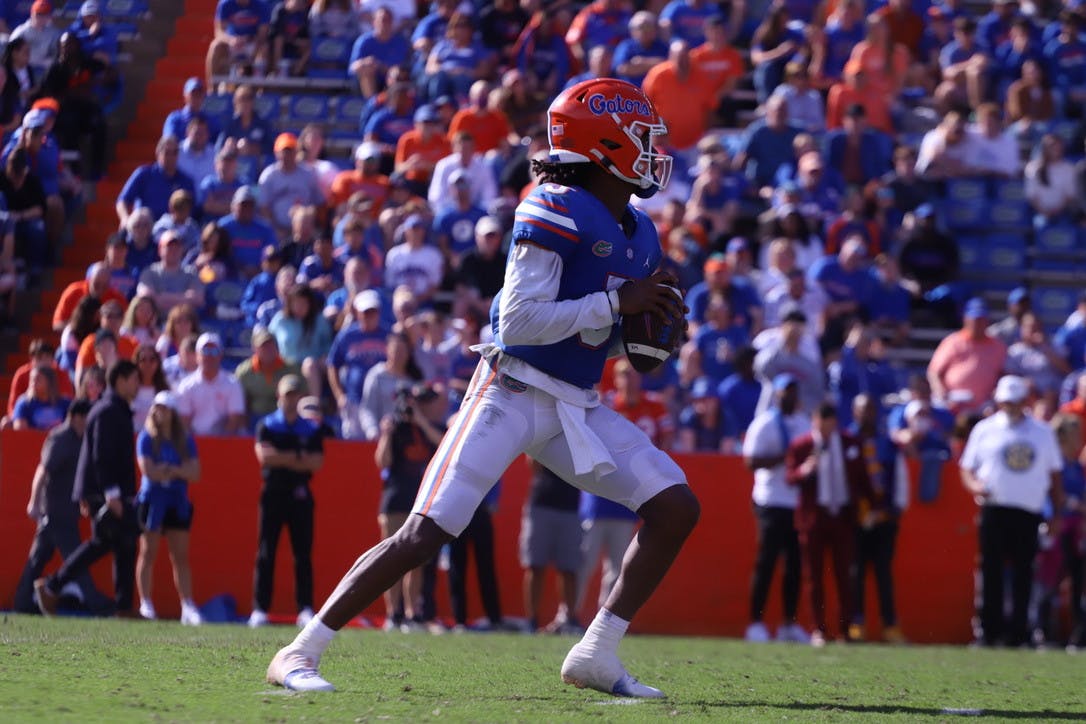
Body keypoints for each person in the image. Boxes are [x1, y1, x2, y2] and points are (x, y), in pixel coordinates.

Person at [265, 78, 698, 697]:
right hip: (511, 390)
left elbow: (607, 333)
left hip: (574, 403)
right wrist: (613, 302)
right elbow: (520, 322)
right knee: (428, 529)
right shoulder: (551, 204)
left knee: (675, 506)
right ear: (604, 145)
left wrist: (645, 334)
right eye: (642, 139)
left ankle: (596, 653)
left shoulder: (641, 232)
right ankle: (298, 650)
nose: (654, 152)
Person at [961, 375, 1063, 647]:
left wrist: (1056, 514)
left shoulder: (1042, 432)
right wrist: (975, 486)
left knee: (1023, 573)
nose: (1010, 407)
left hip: (1028, 512)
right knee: (990, 572)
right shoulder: (984, 429)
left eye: (1015, 402)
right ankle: (988, 631)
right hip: (994, 508)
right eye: (1006, 402)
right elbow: (967, 468)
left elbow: (1055, 476)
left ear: (1024, 402)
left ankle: (1019, 633)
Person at [34, 360, 142, 617]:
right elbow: (100, 455)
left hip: (105, 491)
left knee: (114, 544)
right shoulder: (108, 411)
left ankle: (121, 606)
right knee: (112, 543)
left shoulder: (114, 409)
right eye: (135, 378)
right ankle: (53, 586)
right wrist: (112, 493)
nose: (138, 384)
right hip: (106, 493)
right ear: (121, 380)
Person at [785, 401, 875, 646]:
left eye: (829, 424)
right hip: (814, 517)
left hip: (842, 516)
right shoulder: (802, 445)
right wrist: (805, 470)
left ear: (834, 422)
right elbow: (790, 477)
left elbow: (862, 478)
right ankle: (819, 629)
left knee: (845, 575)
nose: (825, 429)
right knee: (813, 575)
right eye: (820, 424)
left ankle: (846, 630)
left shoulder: (849, 443)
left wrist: (874, 506)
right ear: (814, 421)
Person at [15, 398, 108, 614]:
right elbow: (42, 471)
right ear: (76, 417)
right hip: (58, 512)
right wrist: (33, 501)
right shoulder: (61, 439)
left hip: (63, 511)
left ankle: (21, 603)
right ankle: (95, 602)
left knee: (38, 559)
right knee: (76, 558)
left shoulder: (78, 438)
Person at [249, 374, 325, 628]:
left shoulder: (310, 428)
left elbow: (316, 462)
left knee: (302, 552)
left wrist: (282, 457)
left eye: (295, 395)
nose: (291, 400)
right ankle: (260, 608)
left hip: (300, 494)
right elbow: (265, 457)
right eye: (287, 394)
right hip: (273, 492)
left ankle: (304, 607)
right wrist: (296, 458)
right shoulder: (268, 425)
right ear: (279, 396)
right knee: (266, 551)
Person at [742, 374, 809, 643]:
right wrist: (784, 457)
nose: (790, 396)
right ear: (777, 394)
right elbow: (750, 461)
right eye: (785, 392)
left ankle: (788, 624)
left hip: (796, 501)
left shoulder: (803, 422)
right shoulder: (766, 423)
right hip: (770, 499)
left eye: (794, 391)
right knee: (766, 562)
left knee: (794, 565)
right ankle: (755, 623)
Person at [373, 382, 446, 631]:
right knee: (391, 559)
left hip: (421, 500)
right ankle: (393, 614)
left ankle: (412, 613)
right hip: (394, 500)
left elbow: (444, 447)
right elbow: (382, 462)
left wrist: (420, 421)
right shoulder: (396, 428)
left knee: (416, 561)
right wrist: (386, 433)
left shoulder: (429, 428)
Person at [135, 391, 203, 625]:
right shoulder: (145, 437)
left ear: (172, 413)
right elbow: (149, 471)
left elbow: (195, 473)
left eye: (163, 408)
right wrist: (177, 469)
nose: (158, 412)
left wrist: (171, 470)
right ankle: (146, 603)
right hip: (152, 499)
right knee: (148, 552)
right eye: (156, 407)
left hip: (177, 500)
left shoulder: (185, 440)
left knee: (180, 555)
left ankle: (187, 606)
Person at [848, 394, 907, 644]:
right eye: (862, 410)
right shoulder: (845, 440)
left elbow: (899, 476)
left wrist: (895, 509)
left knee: (883, 573)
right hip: (854, 520)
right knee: (855, 572)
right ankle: (856, 623)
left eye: (871, 410)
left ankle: (890, 625)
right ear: (854, 412)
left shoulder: (888, 443)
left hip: (883, 518)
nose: (867, 415)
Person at [522, 461, 584, 633]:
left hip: (571, 508)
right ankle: (532, 621)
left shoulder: (582, 436)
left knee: (569, 568)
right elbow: (532, 462)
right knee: (535, 565)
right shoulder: (544, 435)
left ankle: (570, 619)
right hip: (541, 504)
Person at [928, 298, 1008, 414]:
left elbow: (1004, 374)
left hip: (984, 404)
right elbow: (933, 372)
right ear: (966, 319)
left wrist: (997, 392)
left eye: (981, 320)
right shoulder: (953, 341)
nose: (978, 324)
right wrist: (940, 390)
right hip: (952, 400)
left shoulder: (998, 346)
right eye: (975, 319)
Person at [176, 333, 245, 436]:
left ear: (220, 355)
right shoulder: (186, 385)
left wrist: (218, 445)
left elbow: (235, 419)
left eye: (214, 351)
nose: (209, 356)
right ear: (197, 355)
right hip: (194, 442)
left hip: (225, 443)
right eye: (205, 351)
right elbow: (183, 420)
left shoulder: (232, 383)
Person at [235, 328, 301, 425]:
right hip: (254, 419)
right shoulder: (244, 371)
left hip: (285, 418)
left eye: (271, 344)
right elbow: (239, 402)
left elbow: (302, 395)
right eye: (264, 346)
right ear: (255, 348)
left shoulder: (291, 368)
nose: (268, 349)